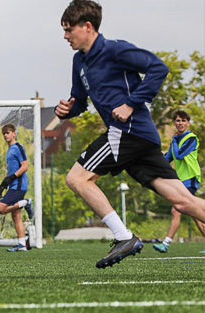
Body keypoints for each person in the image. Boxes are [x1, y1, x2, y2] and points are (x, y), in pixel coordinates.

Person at [55, 0, 205, 268]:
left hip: (128, 132)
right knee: (183, 202)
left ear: (87, 26)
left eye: (69, 29)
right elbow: (79, 100)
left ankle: (124, 236)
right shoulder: (79, 61)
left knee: (77, 178)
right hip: (139, 139)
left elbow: (158, 68)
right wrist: (67, 110)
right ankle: (124, 236)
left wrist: (131, 104)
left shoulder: (115, 50)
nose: (65, 36)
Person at [154, 109, 205, 253]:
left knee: (177, 209)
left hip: (191, 178)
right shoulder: (175, 140)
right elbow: (167, 159)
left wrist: (174, 141)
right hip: (181, 181)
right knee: (194, 213)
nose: (180, 123)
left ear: (188, 123)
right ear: (174, 123)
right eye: (178, 120)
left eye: (183, 120)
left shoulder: (191, 138)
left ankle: (166, 243)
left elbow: (179, 155)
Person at [0, 124, 33, 252]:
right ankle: (22, 244)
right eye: (4, 133)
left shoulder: (18, 148)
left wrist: (11, 178)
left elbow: (25, 166)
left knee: (0, 208)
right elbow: (12, 170)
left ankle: (26, 202)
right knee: (16, 215)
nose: (6, 135)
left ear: (14, 133)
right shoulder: (10, 149)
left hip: (19, 186)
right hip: (13, 186)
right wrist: (4, 184)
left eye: (8, 132)